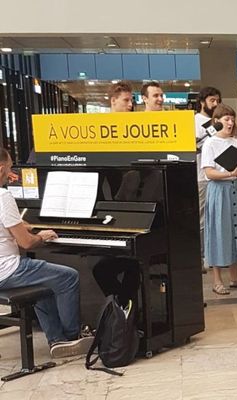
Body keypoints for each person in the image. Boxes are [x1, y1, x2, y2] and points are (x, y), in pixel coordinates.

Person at [0, 148, 93, 357]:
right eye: (10, 167)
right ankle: (72, 336)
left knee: (44, 281)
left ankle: (56, 340)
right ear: (0, 169)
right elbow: (26, 243)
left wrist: (25, 225)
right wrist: (41, 235)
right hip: (7, 271)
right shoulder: (3, 196)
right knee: (69, 277)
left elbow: (11, 225)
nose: (12, 172)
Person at [92, 81, 141, 308]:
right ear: (113, 101)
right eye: (126, 100)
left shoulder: (135, 128)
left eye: (132, 100)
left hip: (134, 204)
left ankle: (124, 310)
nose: (130, 105)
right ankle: (120, 309)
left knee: (134, 263)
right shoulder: (101, 129)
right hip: (109, 203)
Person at [202, 104, 237, 295]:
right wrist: (228, 173)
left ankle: (234, 277)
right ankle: (217, 280)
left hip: (236, 188)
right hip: (219, 190)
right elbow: (209, 172)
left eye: (232, 119)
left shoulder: (236, 142)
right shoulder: (210, 143)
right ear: (217, 122)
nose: (230, 123)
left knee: (236, 230)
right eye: (226, 119)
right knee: (219, 231)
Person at [195, 87, 222, 270]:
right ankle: (202, 256)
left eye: (217, 101)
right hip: (201, 175)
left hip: (219, 175)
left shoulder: (218, 122)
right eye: (212, 100)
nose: (215, 104)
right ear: (203, 102)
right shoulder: (195, 121)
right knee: (202, 217)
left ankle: (214, 254)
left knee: (215, 218)